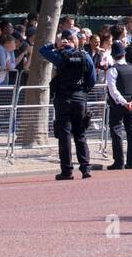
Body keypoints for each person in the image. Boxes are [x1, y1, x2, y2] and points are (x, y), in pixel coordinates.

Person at [40, 28, 96, 180]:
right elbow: (92, 79)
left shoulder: (59, 56)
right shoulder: (85, 56)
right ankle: (85, 168)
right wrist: (83, 91)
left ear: (65, 41)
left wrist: (56, 45)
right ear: (75, 41)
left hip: (63, 99)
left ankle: (67, 171)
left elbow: (43, 50)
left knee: (64, 136)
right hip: (79, 99)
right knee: (80, 135)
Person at [105, 41, 132, 170]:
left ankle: (118, 161)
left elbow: (112, 90)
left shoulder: (112, 70)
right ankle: (131, 162)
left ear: (113, 56)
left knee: (116, 131)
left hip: (118, 105)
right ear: (124, 54)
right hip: (131, 105)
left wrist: (123, 102)